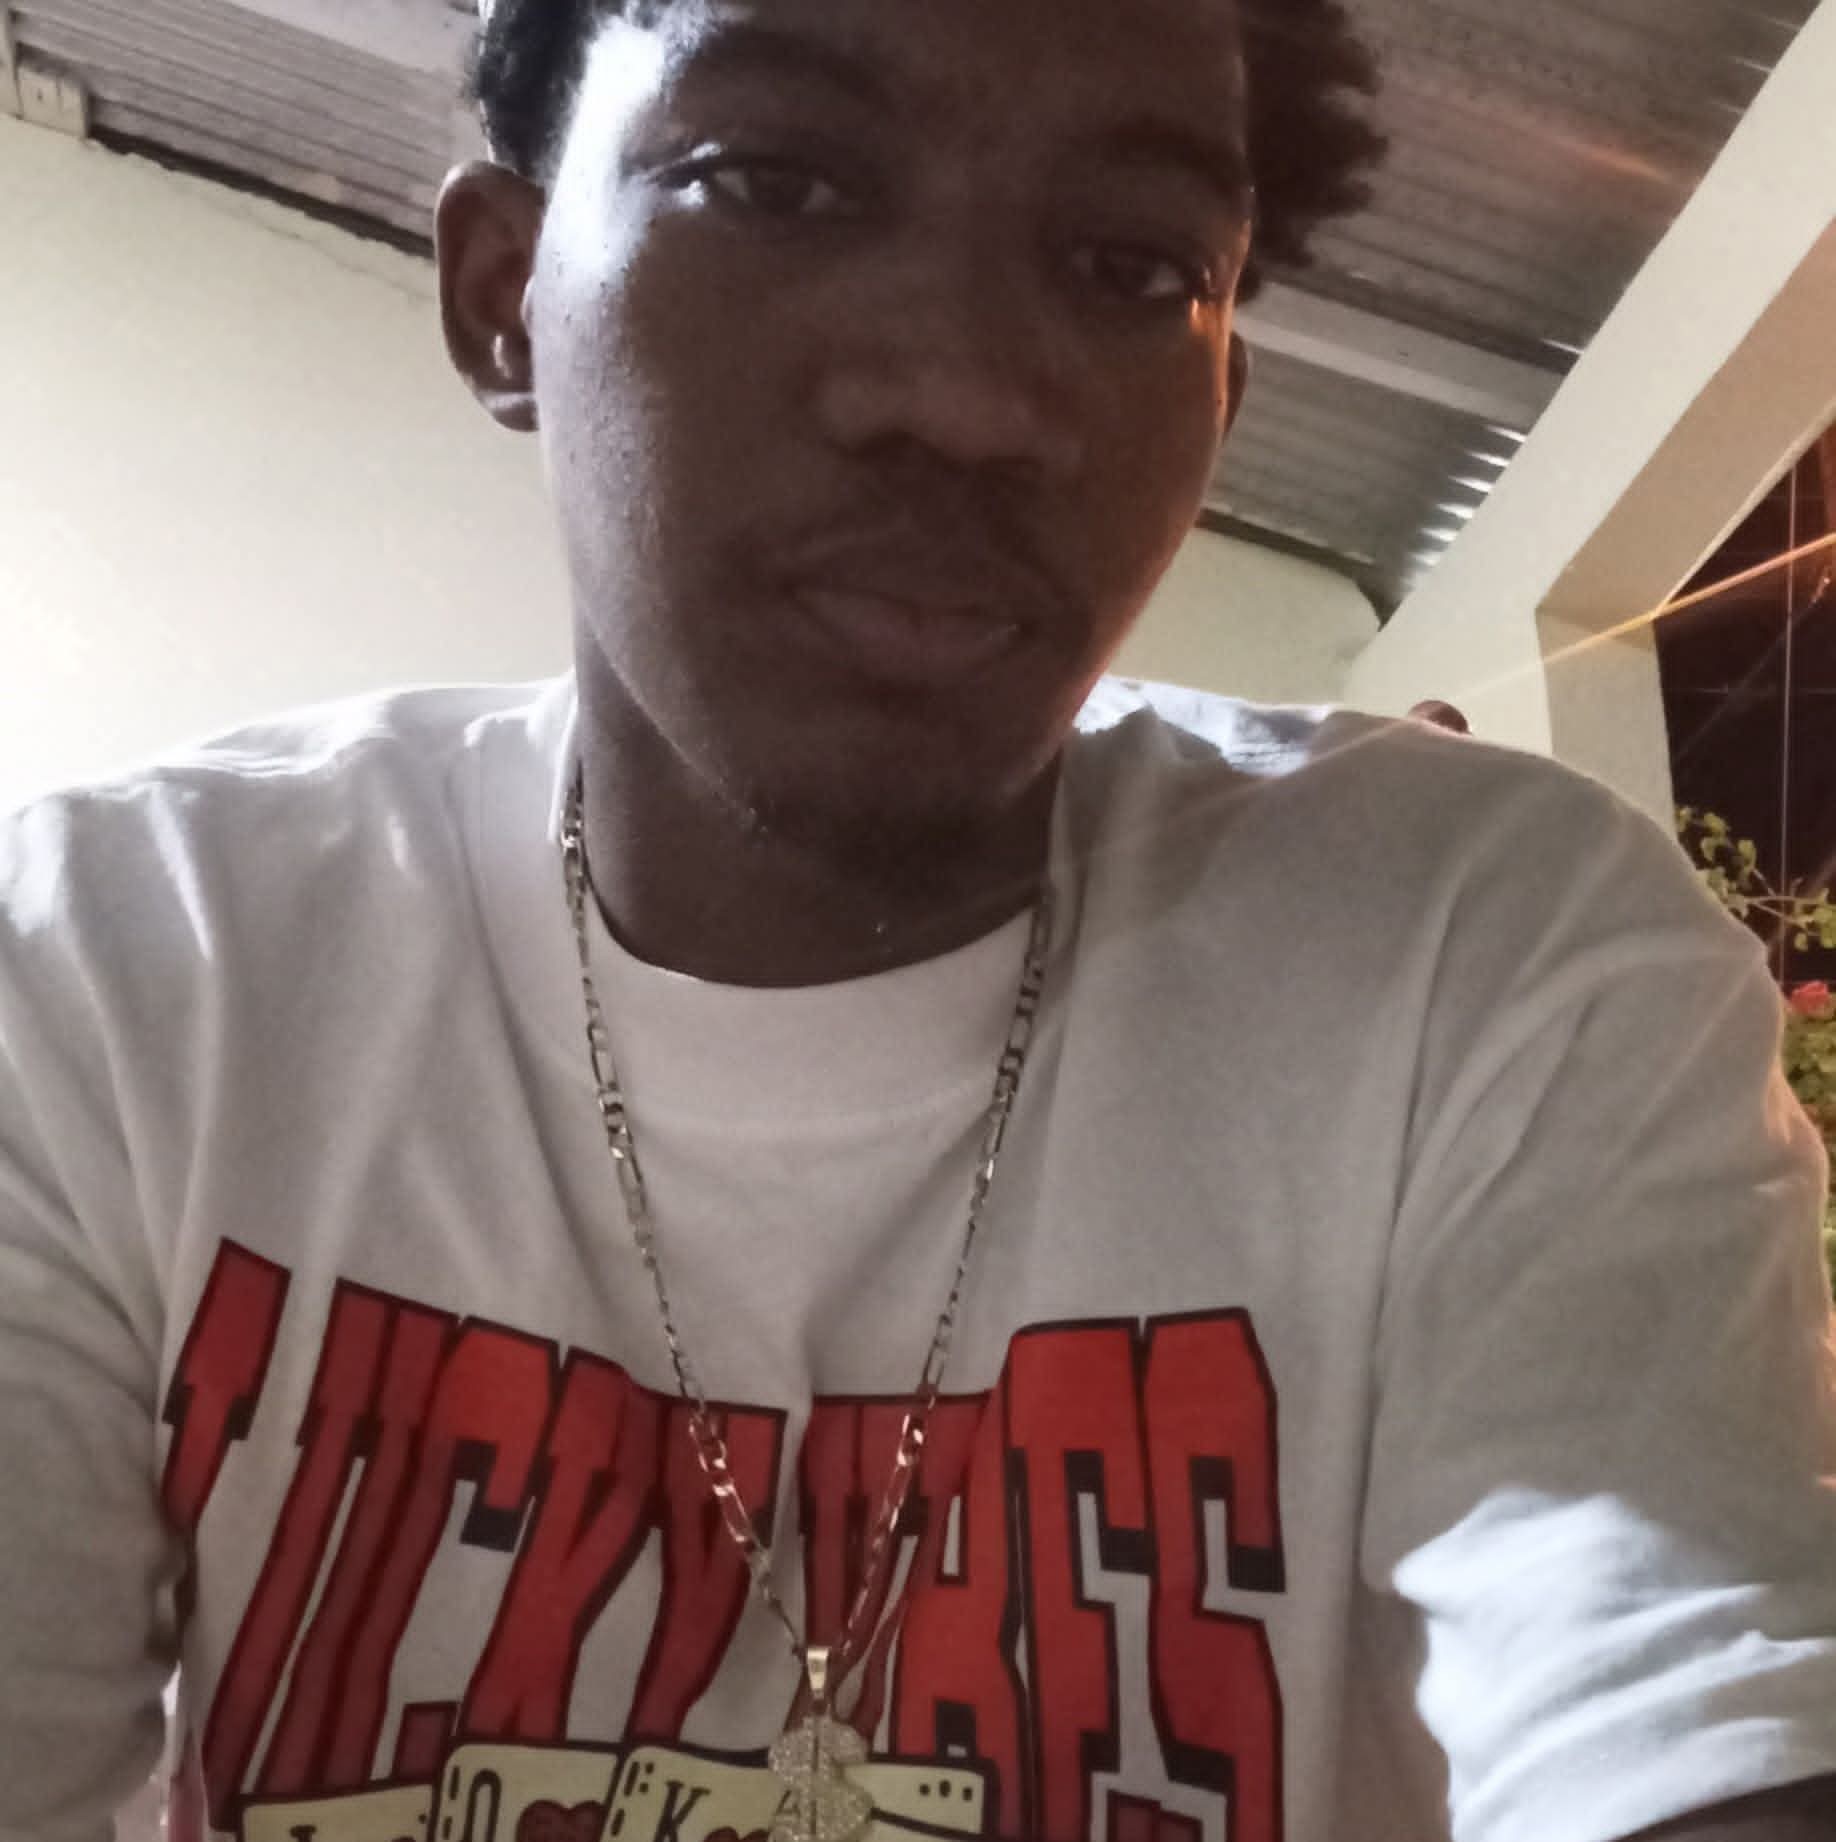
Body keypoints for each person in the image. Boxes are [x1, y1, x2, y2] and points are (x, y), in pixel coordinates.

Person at [2, 1, 1833, 1839]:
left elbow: (1686, 1696)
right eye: (774, 182)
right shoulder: (128, 975)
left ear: (1219, 409)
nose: (969, 396)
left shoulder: (1477, 965)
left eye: (1133, 268)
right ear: (506, 296)